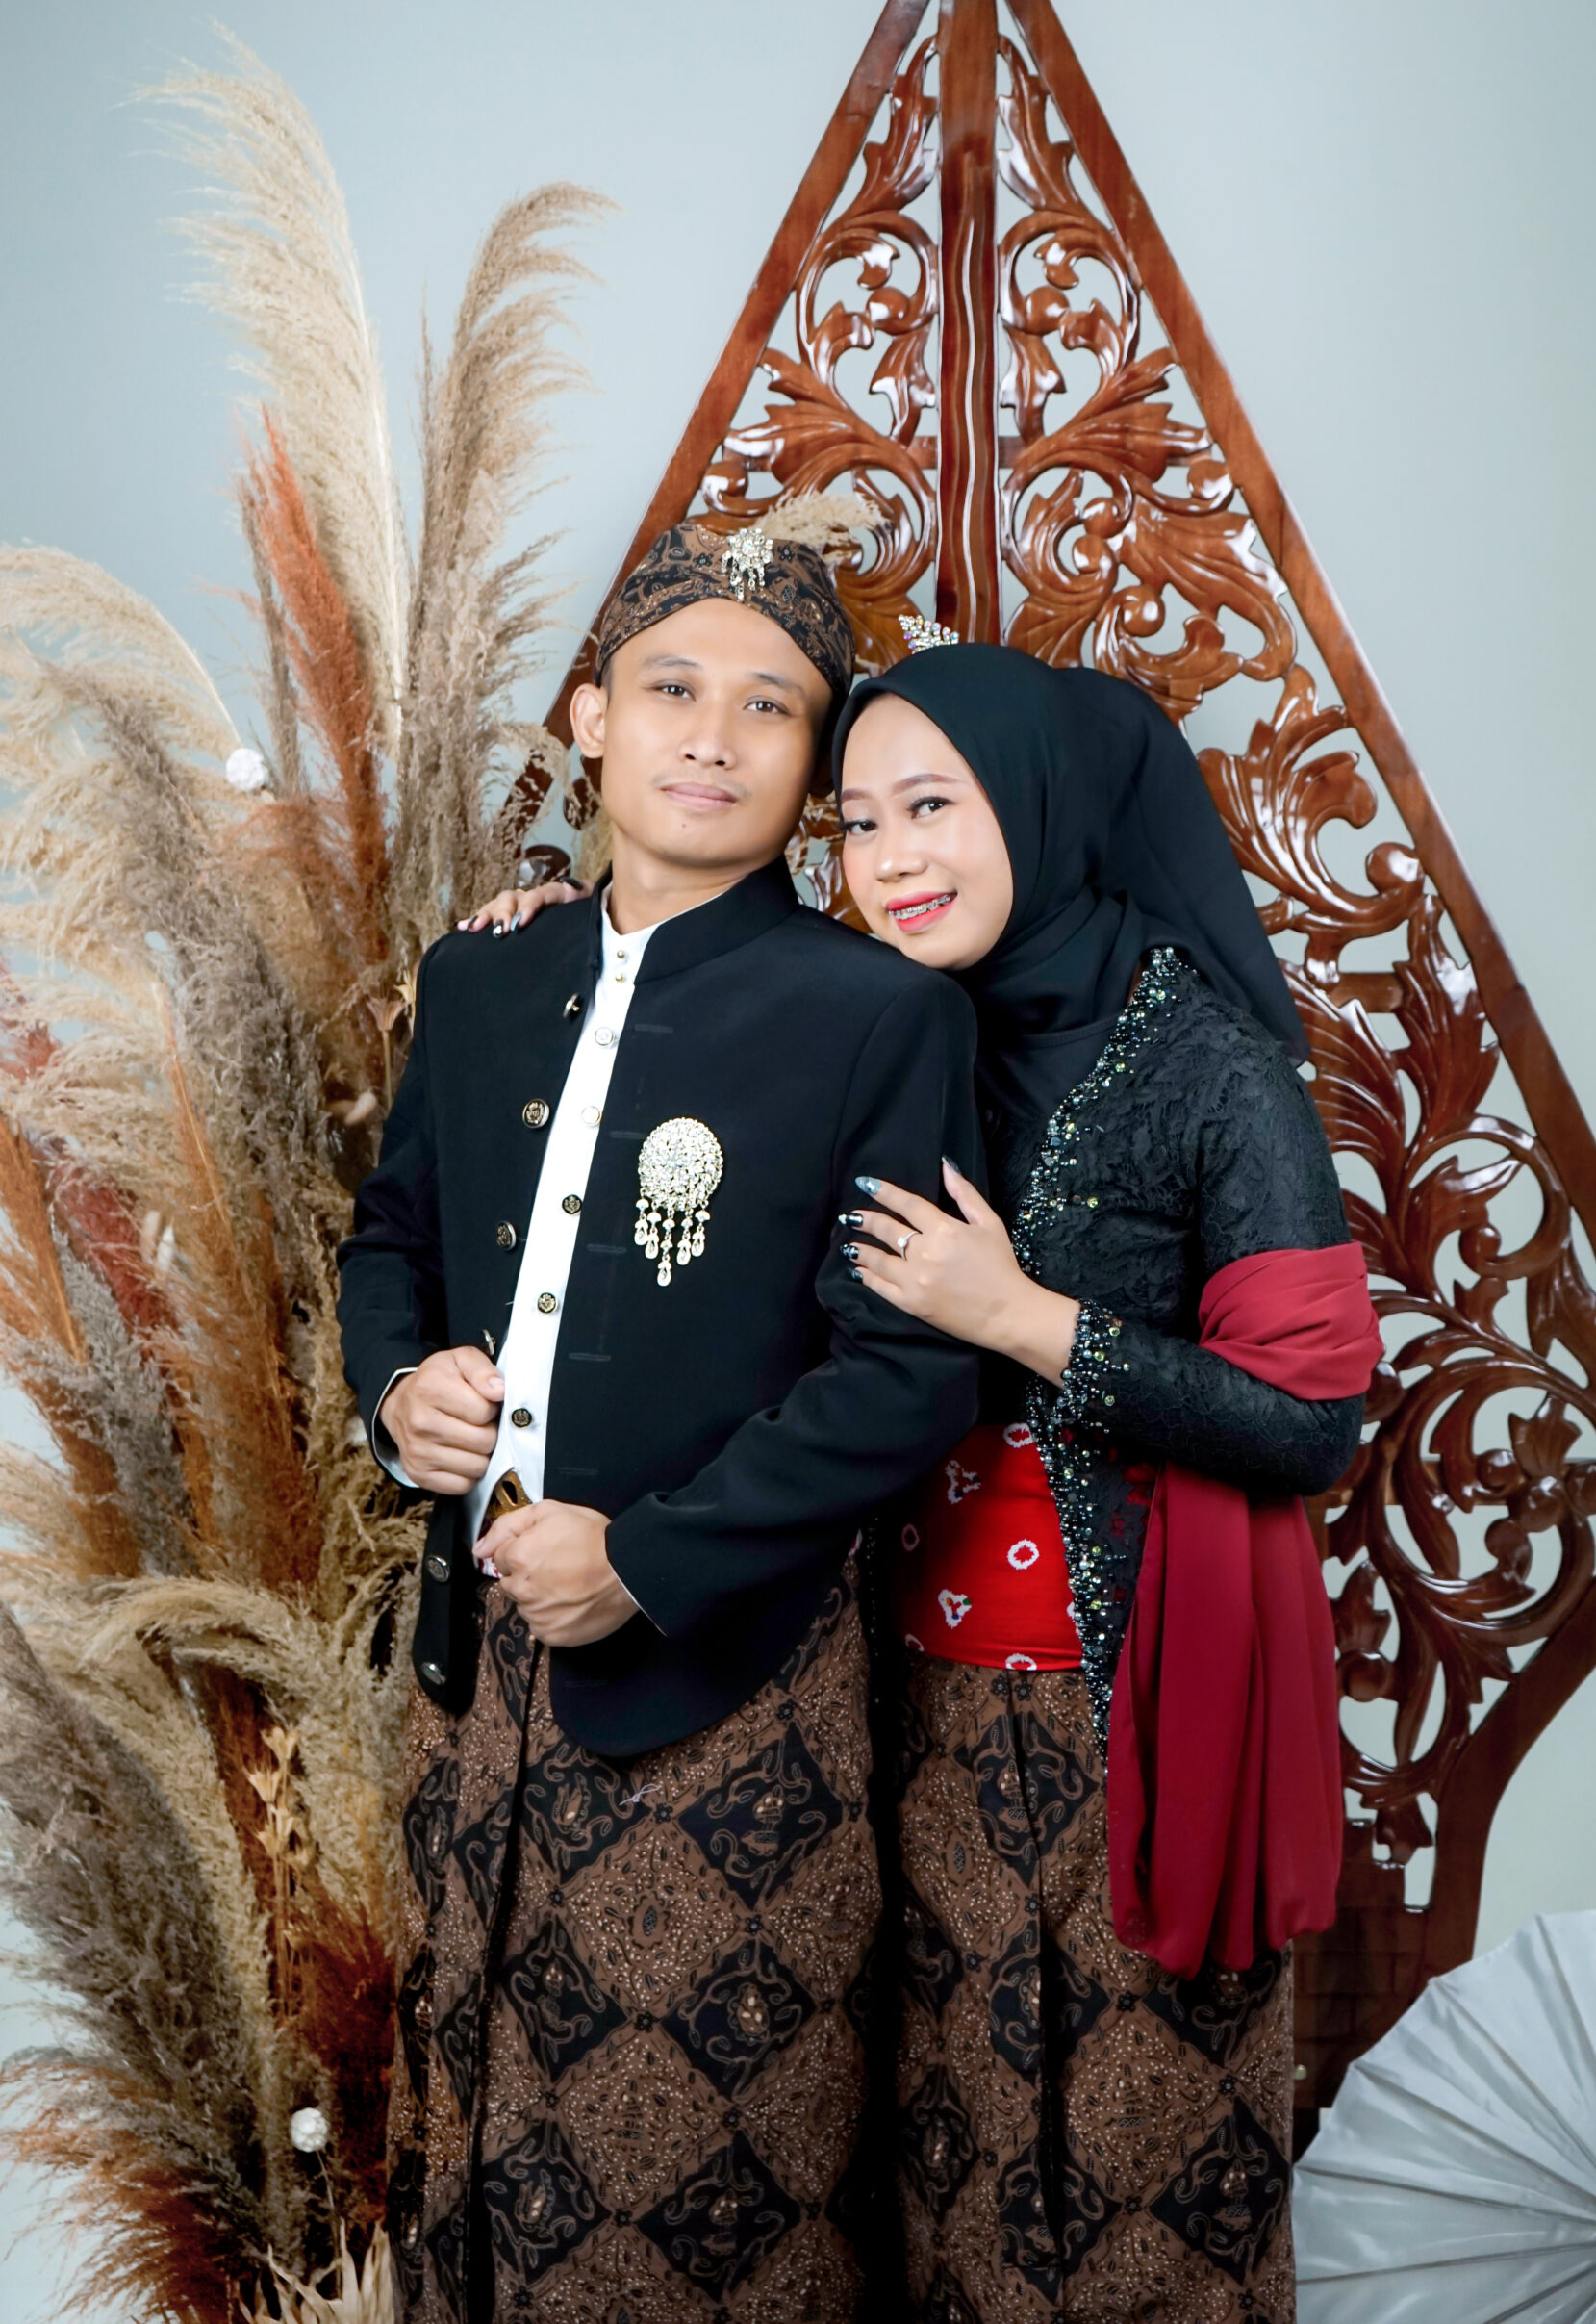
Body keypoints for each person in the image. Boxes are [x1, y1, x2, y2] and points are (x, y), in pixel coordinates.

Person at [475, 633, 1381, 2324]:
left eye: (933, 808)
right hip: (874, 1711)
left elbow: (1310, 1419)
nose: (891, 859)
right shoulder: (886, 1022)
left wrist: (1022, 1317)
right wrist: (566, 936)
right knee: (924, 2199)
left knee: (1117, 2205)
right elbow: (684, 1013)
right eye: (860, 823)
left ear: (1038, 805)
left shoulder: (1208, 1065)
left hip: (1115, 1715)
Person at [339, 524, 982, 2324]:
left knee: (690, 2207)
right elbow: (392, 1239)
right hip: (470, 1682)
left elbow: (908, 1370)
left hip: (731, 1692)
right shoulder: (483, 977)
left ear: (816, 763)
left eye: (770, 707)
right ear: (591, 719)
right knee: (464, 2169)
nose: (713, 735)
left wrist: (646, 1558)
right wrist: (398, 1393)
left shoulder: (878, 1014)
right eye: (674, 689)